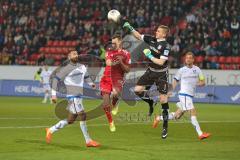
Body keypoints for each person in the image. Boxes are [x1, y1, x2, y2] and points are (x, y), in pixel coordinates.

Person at [123, 22, 171, 139]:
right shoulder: (152, 39)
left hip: (161, 74)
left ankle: (165, 127)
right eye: (157, 31)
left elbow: (161, 62)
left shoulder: (166, 46)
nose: (156, 32)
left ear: (164, 35)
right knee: (137, 90)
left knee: (163, 100)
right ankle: (150, 102)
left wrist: (149, 55)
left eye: (159, 31)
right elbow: (139, 36)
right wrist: (131, 28)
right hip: (150, 71)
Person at [45, 50, 100, 147]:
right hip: (72, 96)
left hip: (79, 96)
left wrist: (91, 84)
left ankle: (50, 130)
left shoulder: (82, 67)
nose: (76, 55)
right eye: (74, 54)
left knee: (71, 120)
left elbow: (86, 77)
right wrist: (53, 94)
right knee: (83, 115)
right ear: (69, 57)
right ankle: (88, 141)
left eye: (77, 53)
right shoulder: (66, 69)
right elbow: (55, 80)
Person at [153, 52, 211, 140]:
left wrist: (197, 83)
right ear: (185, 60)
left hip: (190, 95)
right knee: (193, 111)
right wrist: (169, 93)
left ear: (193, 60)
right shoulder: (181, 70)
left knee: (177, 115)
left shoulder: (197, 69)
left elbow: (203, 82)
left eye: (190, 58)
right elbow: (175, 82)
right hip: (184, 94)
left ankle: (159, 118)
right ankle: (200, 134)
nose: (188, 59)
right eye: (187, 58)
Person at [100, 34, 131, 132]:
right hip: (106, 79)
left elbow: (127, 70)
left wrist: (121, 63)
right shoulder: (109, 51)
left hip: (117, 79)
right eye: (112, 43)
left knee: (115, 93)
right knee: (105, 104)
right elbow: (108, 63)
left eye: (115, 42)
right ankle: (110, 122)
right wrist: (115, 63)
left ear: (120, 41)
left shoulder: (126, 54)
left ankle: (115, 103)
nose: (112, 45)